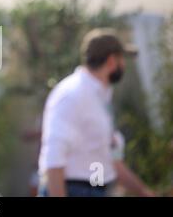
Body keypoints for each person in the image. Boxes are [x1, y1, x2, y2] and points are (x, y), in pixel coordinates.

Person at [38, 28, 155, 197]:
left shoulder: (99, 99)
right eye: (122, 59)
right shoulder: (72, 94)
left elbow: (112, 161)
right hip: (73, 191)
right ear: (111, 61)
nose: (124, 65)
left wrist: (145, 193)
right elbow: (53, 160)